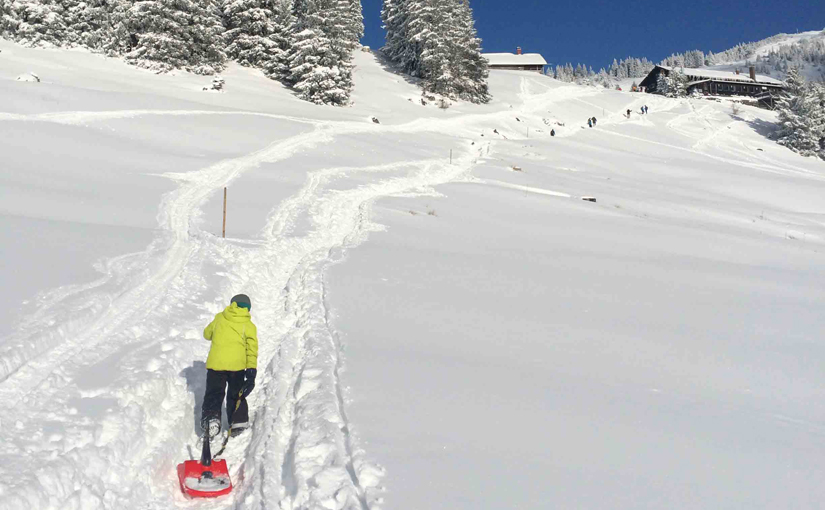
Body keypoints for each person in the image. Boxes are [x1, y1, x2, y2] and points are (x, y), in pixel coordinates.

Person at [201, 294, 259, 439]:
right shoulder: (249, 325)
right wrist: (251, 371)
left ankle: (211, 419)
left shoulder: (220, 317)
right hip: (237, 368)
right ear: (248, 309)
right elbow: (251, 350)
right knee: (236, 394)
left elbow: (207, 334)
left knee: (214, 393)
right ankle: (238, 422)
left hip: (216, 366)